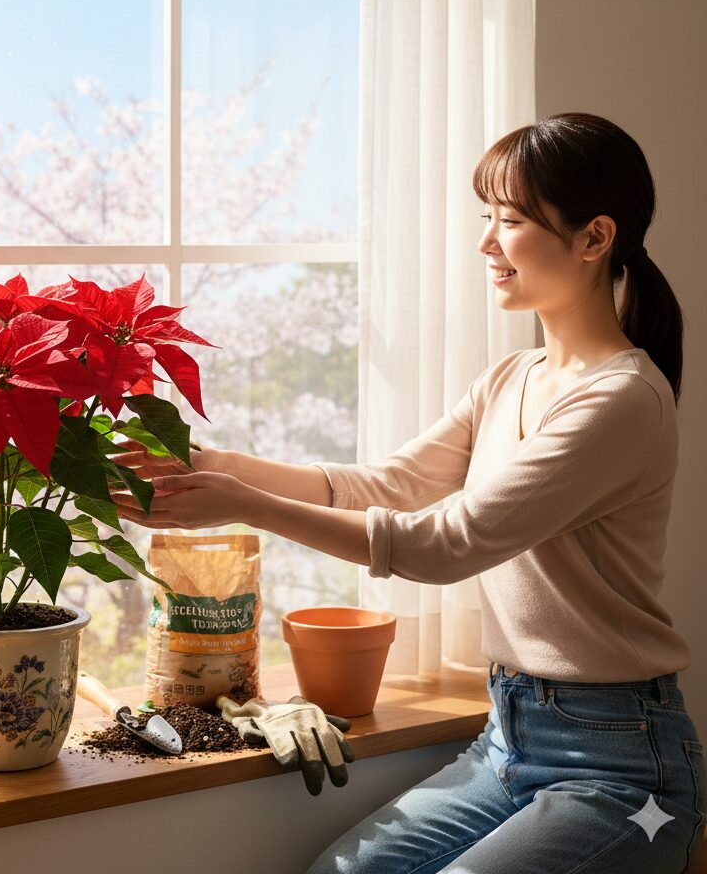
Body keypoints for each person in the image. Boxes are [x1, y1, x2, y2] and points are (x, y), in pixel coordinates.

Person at [110, 112, 706, 873]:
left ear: (594, 238)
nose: (487, 242)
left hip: (622, 766)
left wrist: (243, 504)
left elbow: (444, 544)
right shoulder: (510, 379)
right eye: (486, 218)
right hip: (508, 737)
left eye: (512, 220)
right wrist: (221, 462)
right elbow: (383, 487)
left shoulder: (621, 400)